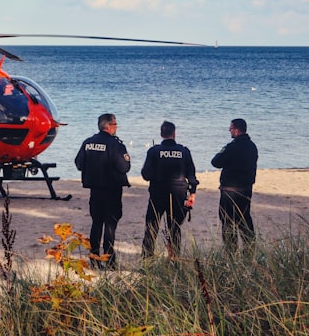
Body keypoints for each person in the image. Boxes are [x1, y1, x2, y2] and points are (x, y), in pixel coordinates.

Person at [75, 113, 131, 269]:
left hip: (95, 189)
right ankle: (109, 259)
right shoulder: (115, 144)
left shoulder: (88, 142)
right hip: (112, 189)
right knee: (110, 224)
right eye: (115, 124)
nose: (116, 127)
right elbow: (124, 167)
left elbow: (79, 163)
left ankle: (94, 257)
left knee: (97, 223)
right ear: (108, 126)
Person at [140, 121, 199, 258]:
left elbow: (145, 175)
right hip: (178, 194)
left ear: (161, 134)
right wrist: (193, 193)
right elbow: (191, 175)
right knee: (174, 228)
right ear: (174, 134)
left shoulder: (154, 151)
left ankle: (147, 259)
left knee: (151, 227)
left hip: (158, 194)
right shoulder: (184, 151)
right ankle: (174, 259)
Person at [211, 118, 258, 253]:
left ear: (237, 130)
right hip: (246, 189)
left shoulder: (231, 147)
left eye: (231, 128)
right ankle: (249, 249)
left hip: (230, 191)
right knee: (244, 219)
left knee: (228, 221)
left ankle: (231, 251)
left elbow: (216, 162)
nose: (229, 130)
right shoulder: (252, 147)